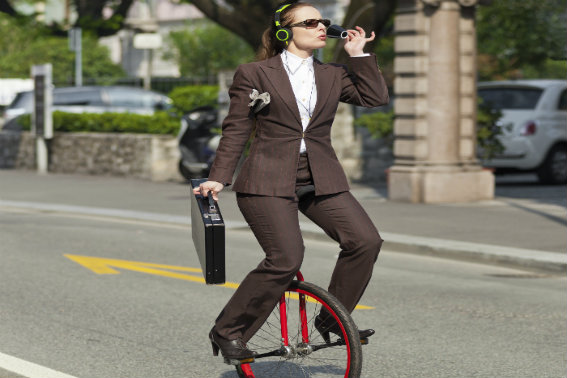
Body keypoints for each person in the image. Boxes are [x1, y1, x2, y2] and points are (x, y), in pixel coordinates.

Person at [193, 1, 389, 360]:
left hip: (320, 176)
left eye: (323, 21)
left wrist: (358, 56)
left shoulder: (333, 73)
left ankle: (333, 321)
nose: (321, 27)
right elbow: (237, 128)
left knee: (365, 240)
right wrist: (219, 178)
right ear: (285, 32)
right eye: (311, 22)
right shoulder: (255, 73)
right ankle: (228, 331)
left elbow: (375, 97)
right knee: (285, 258)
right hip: (266, 180)